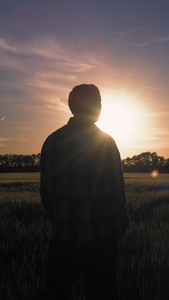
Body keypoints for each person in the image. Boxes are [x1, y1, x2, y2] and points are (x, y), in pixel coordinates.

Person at [40, 84, 130, 299]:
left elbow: (46, 194)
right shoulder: (105, 143)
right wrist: (120, 224)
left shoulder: (51, 142)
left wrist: (62, 220)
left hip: (62, 241)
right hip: (101, 240)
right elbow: (117, 193)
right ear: (93, 106)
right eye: (98, 102)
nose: (100, 106)